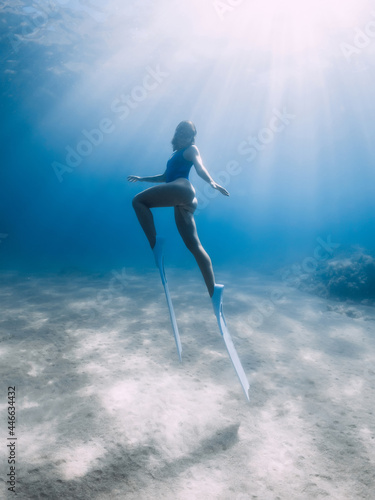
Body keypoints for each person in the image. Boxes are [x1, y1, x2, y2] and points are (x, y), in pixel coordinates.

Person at [127, 120, 229, 297]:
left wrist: (211, 182)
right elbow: (165, 177)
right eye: (182, 133)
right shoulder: (175, 154)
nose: (185, 137)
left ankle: (155, 244)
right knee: (193, 245)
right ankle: (214, 291)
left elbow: (199, 166)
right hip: (184, 200)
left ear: (191, 138)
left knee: (138, 201)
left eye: (189, 135)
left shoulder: (191, 149)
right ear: (176, 134)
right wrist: (142, 178)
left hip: (182, 189)